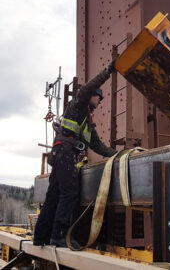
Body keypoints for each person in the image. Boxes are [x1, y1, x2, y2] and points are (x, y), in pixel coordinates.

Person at [33, 63, 117, 247]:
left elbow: (98, 146)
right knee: (69, 194)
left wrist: (118, 154)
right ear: (92, 96)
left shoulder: (87, 121)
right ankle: (58, 235)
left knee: (54, 195)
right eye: (99, 98)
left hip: (61, 154)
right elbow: (86, 88)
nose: (100, 102)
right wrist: (106, 72)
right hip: (65, 154)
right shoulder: (79, 105)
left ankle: (40, 236)